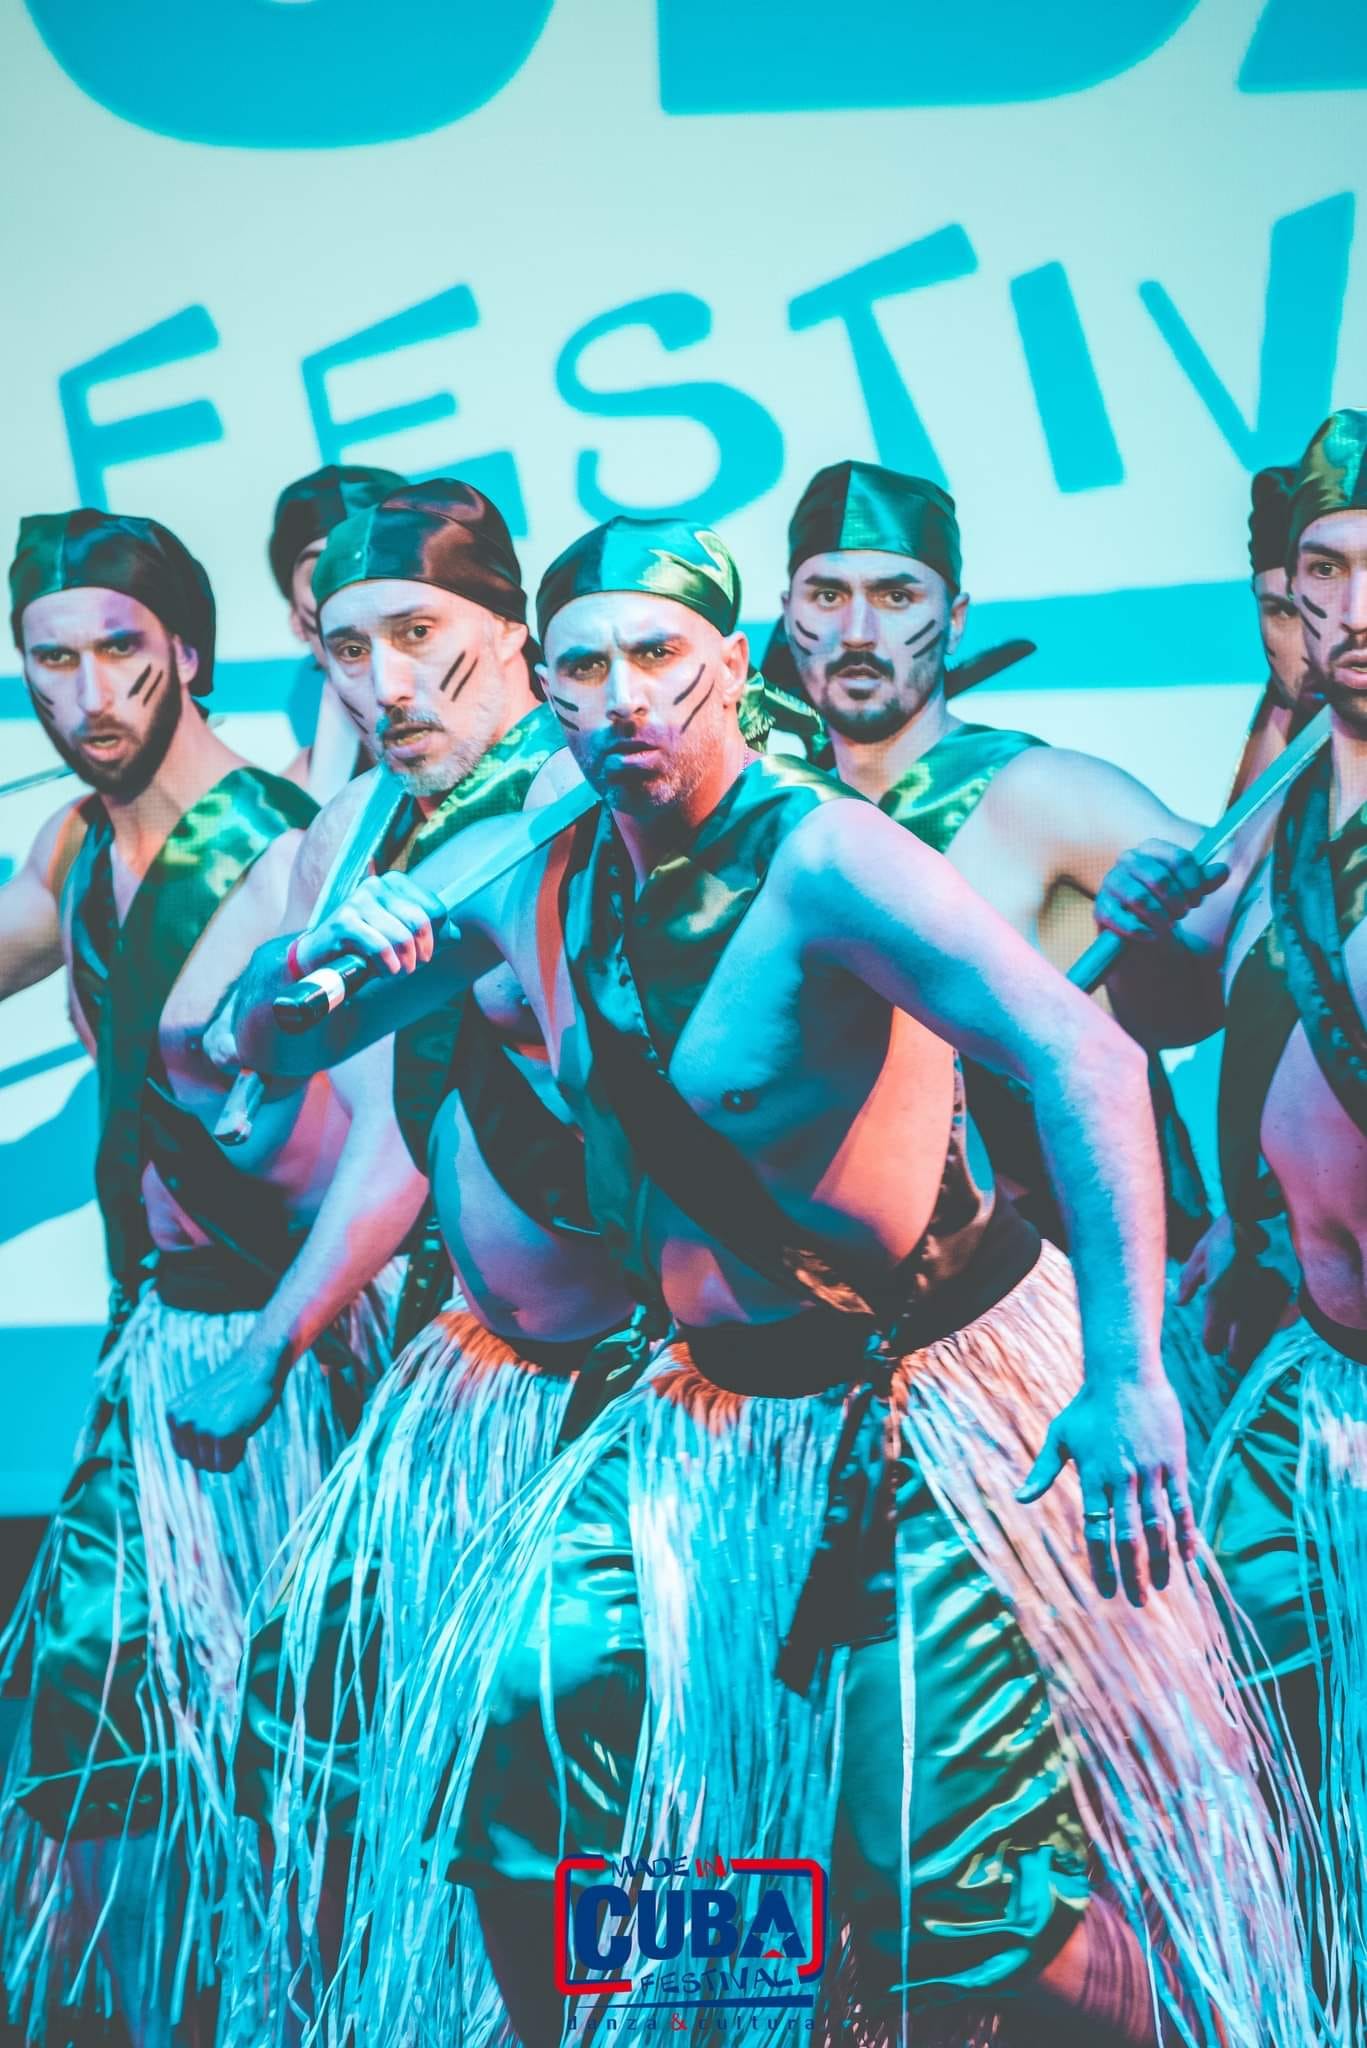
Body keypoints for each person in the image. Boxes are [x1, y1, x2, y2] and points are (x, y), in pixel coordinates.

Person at [238, 515, 1315, 2048]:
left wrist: (1126, 1371)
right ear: (543, 685)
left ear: (733, 667)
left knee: (950, 1909)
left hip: (920, 1409)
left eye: (657, 655)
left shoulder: (827, 857)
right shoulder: (527, 877)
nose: (624, 696)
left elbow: (1079, 1052)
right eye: (586, 665)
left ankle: (1203, 2026)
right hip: (705, 1428)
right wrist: (298, 969)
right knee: (521, 1769)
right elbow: (275, 1045)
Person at [168, 479, 652, 2046]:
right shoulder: (372, 822)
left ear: (511, 632)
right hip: (474, 1381)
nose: (380, 682)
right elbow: (347, 1106)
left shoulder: (587, 794)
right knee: (308, 1707)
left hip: (654, 1387)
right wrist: (273, 1340)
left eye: (417, 634)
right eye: (344, 646)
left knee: (594, 1778)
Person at [0, 511, 416, 2048]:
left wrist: (296, 1342)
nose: (87, 691)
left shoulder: (291, 844)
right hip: (160, 1360)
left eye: (119, 650)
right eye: (51, 660)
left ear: (185, 651)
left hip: (308, 1370)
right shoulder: (73, 844)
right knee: (92, 1735)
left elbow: (389, 1140)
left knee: (306, 1761)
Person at [1092, 406, 1367, 2039]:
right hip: (1306, 1389)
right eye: (1322, 571)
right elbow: (1171, 1003)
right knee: (1281, 1786)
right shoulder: (1277, 796)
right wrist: (1142, 926)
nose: (1352, 606)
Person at [775, 458, 1220, 1442]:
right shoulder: (771, 824)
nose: (858, 630)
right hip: (838, 1361)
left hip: (1053, 1346)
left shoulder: (1043, 794)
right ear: (785, 611)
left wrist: (1261, 1215)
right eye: (826, 595)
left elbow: (1261, 960)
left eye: (896, 595)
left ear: (956, 617)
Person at [268, 463, 405, 800]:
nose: (349, 592)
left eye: (375, 562)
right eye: (322, 573)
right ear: (297, 620)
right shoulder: (287, 812)